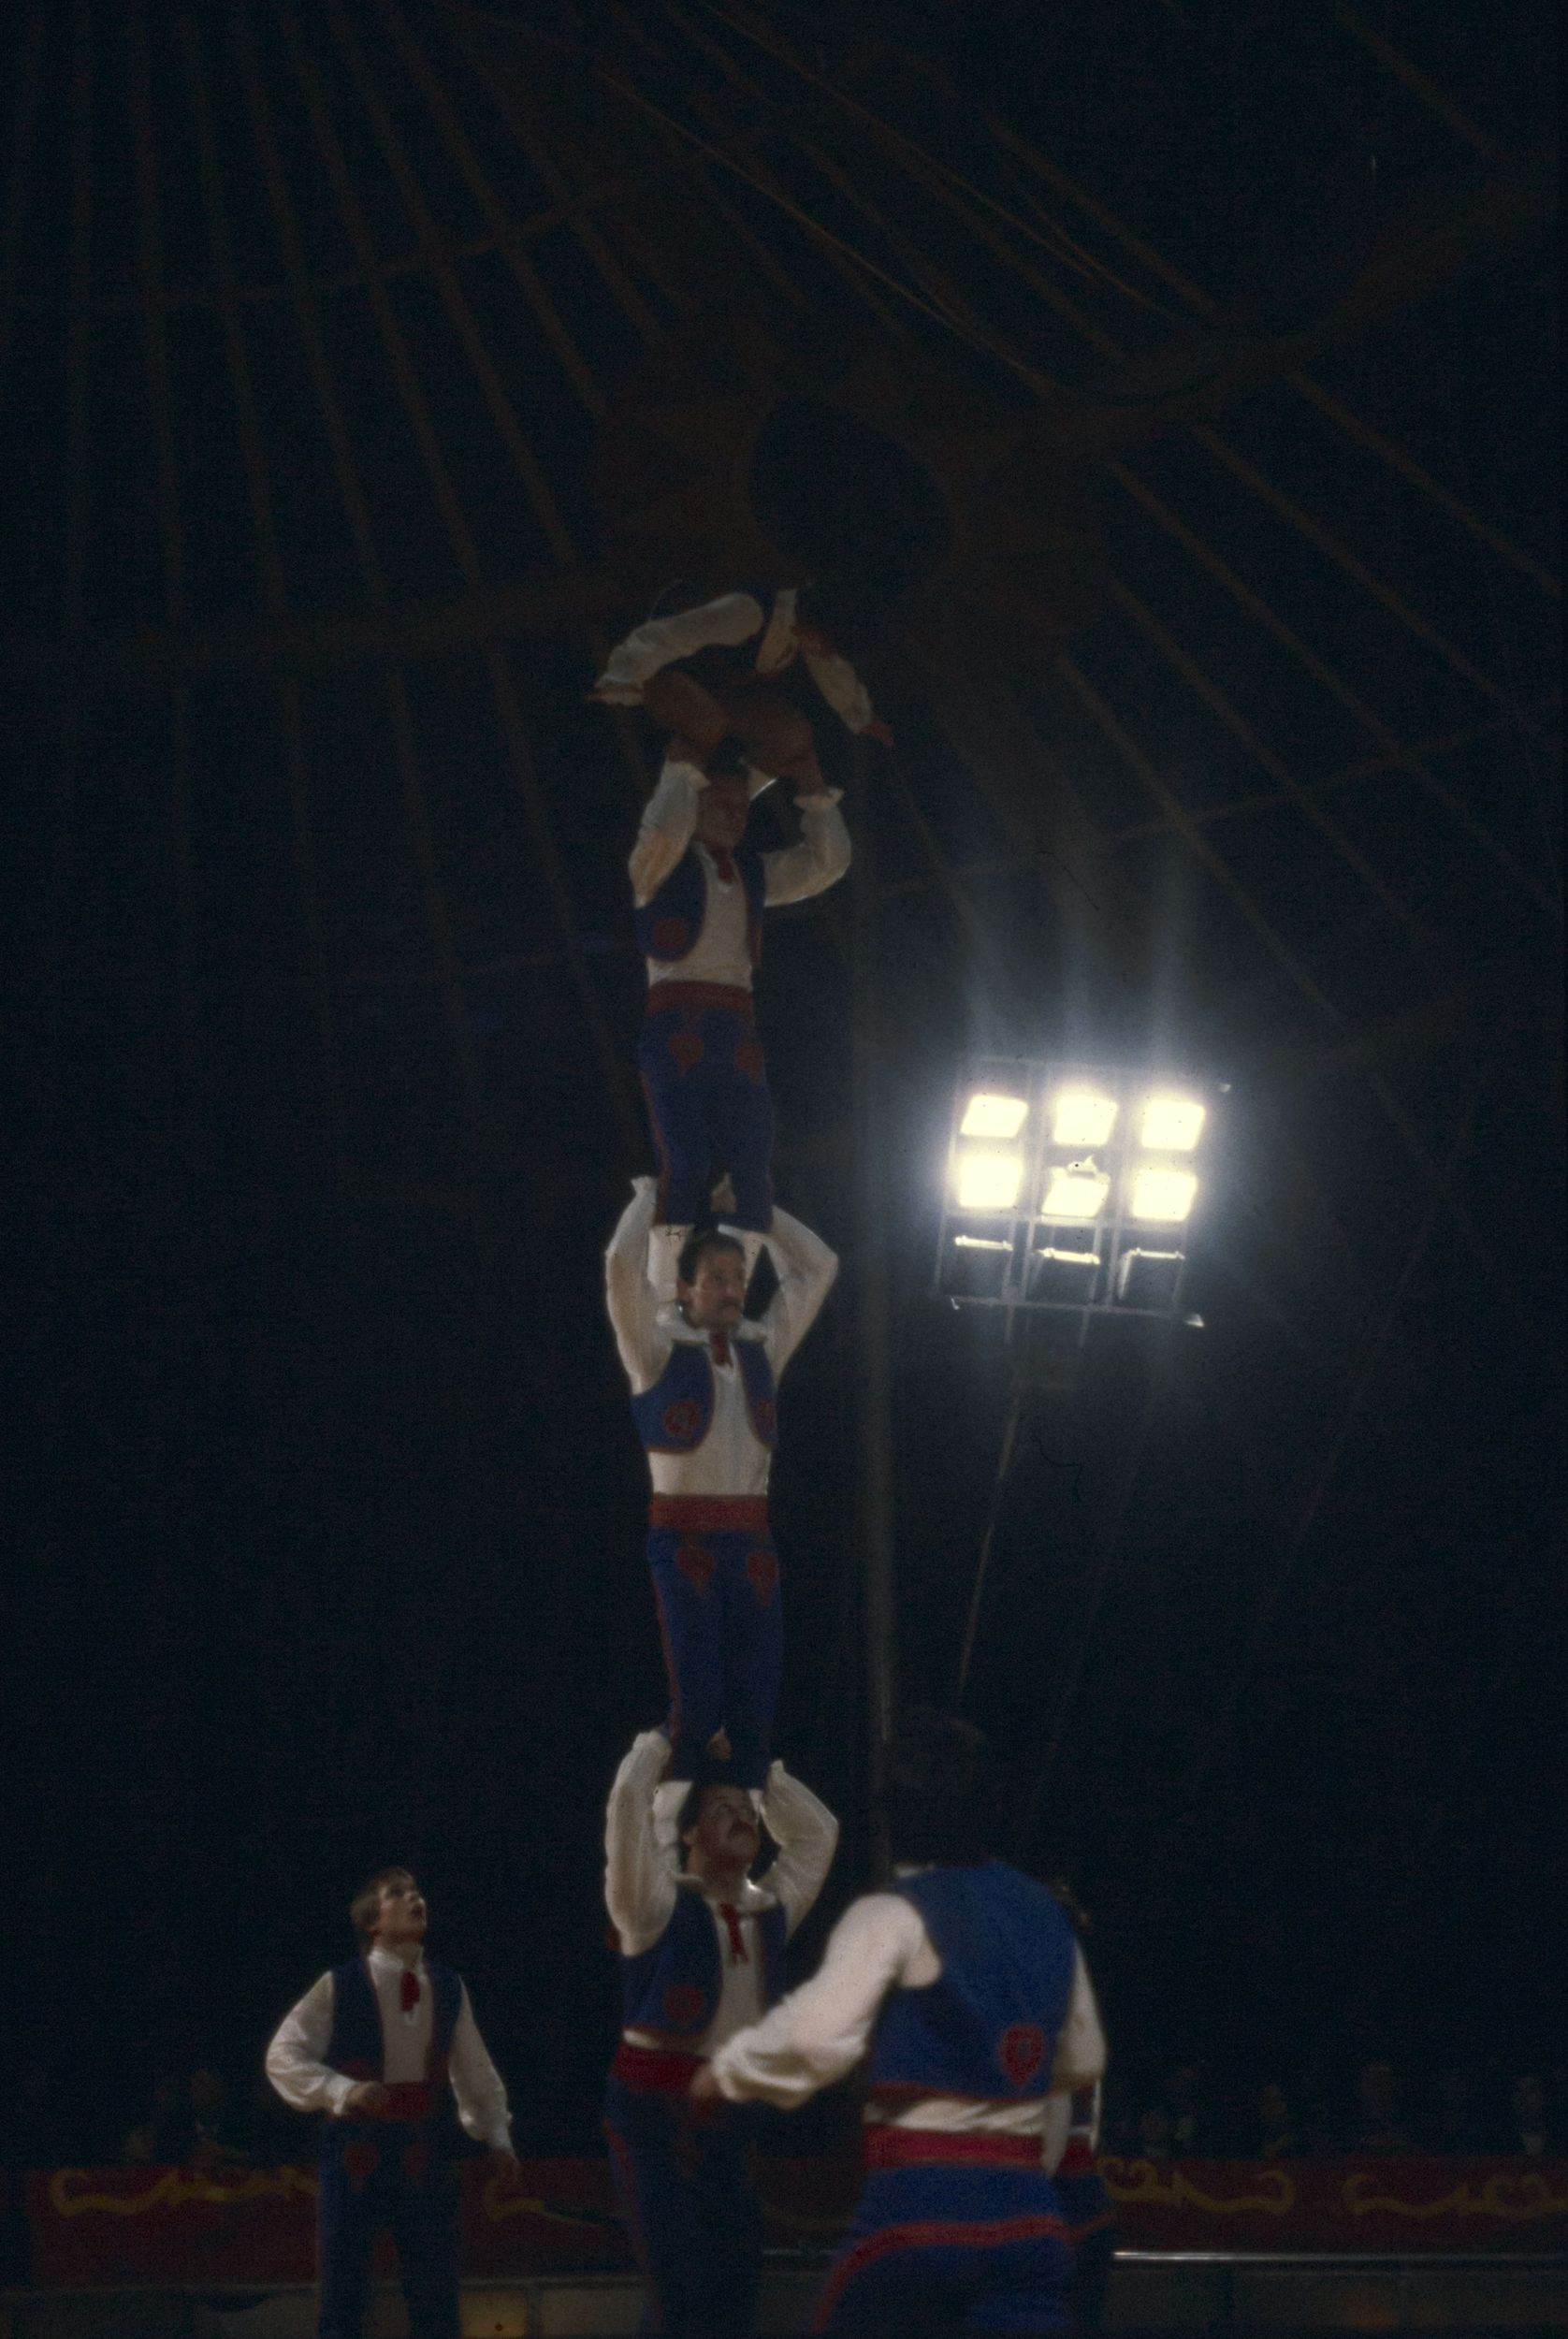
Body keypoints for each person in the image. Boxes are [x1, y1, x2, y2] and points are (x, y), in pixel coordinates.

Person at [693, 1708, 1106, 2336]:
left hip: (917, 2212)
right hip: (1030, 2220)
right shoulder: (1045, 1915)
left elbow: (811, 2039)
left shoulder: (894, 1912)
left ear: (902, 1811)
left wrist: (722, 2076)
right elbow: (1080, 2060)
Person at [595, 581, 883, 1296]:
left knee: (753, 1164)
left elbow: (826, 864)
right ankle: (668, 1295)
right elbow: (666, 823)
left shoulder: (751, 873)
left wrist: (812, 781)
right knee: (686, 1163)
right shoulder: (656, 868)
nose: (731, 812)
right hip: (678, 1023)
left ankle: (733, 1292)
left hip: (736, 1028)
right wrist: (668, 735)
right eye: (717, 805)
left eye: (738, 803)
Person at [603, 1726, 837, 2339]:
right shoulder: (653, 1907)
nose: (744, 1818)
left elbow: (818, 1835)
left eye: (749, 1812)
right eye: (723, 1811)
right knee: (675, 2286)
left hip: (725, 2123)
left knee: (735, 2280)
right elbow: (628, 1816)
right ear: (688, 1835)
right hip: (651, 2120)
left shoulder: (770, 1913)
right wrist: (657, 1748)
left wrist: (765, 1774)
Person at [605, 1179, 836, 1787]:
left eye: (739, 1277)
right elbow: (620, 1267)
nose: (734, 1289)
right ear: (685, 1288)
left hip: (751, 1543)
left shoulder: (764, 1348)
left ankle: (744, 1841)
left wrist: (759, 1208)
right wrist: (647, 1201)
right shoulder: (653, 1351)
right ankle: (664, 1830)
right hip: (684, 1542)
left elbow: (819, 1267)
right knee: (699, 1707)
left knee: (756, 1710)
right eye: (717, 1278)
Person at [265, 1867, 520, 2339]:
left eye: (417, 1891)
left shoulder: (447, 1985)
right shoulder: (339, 1984)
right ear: (371, 1922)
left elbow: (475, 2069)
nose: (414, 1898)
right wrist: (344, 2090)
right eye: (397, 1894)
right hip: (355, 2151)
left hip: (423, 2153)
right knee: (344, 2291)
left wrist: (499, 2138)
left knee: (435, 2291)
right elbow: (282, 2055)